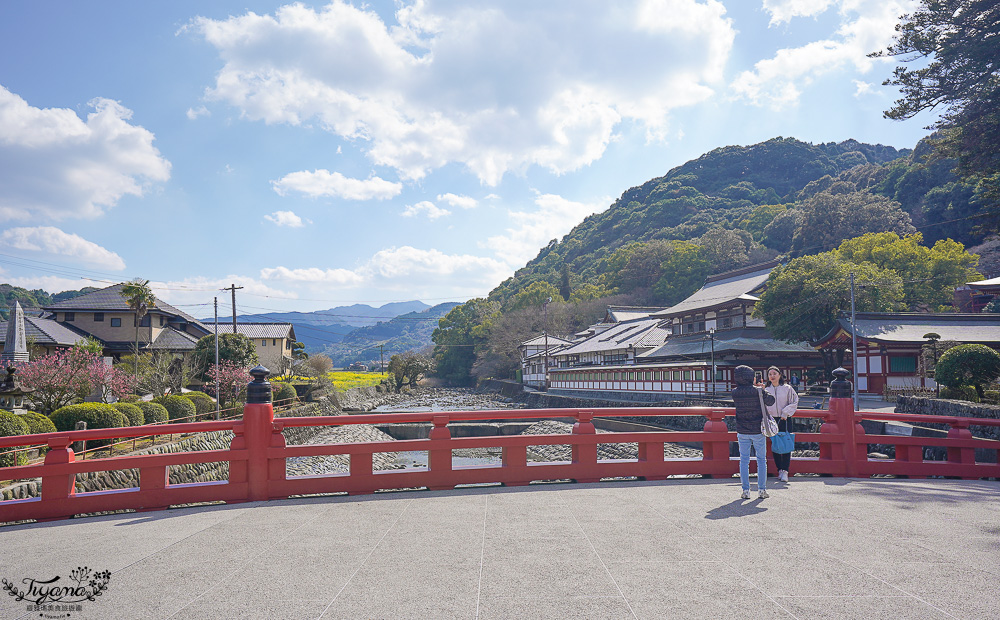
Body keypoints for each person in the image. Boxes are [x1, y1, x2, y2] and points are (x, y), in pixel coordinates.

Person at [731, 365, 775, 500]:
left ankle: (746, 491)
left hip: (742, 429)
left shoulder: (735, 392)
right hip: (758, 430)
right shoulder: (758, 391)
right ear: (751, 377)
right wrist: (762, 389)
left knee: (744, 460)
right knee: (761, 460)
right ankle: (761, 490)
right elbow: (771, 401)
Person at [763, 366, 799, 482]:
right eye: (770, 374)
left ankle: (785, 471)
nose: (772, 376)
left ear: (780, 375)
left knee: (786, 444)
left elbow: (794, 401)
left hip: (785, 419)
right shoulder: (766, 389)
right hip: (771, 419)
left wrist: (785, 412)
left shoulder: (787, 388)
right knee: (776, 444)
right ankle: (779, 469)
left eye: (774, 373)